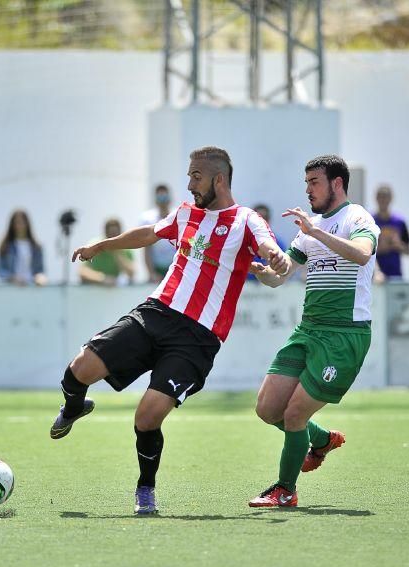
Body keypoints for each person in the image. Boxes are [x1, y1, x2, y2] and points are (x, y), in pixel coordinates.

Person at [49, 146, 291, 515]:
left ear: (219, 179)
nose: (190, 183)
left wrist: (276, 257)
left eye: (196, 176)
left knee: (147, 416)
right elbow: (149, 233)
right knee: (79, 369)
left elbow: (269, 248)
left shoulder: (245, 219)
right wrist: (101, 245)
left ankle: (145, 489)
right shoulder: (184, 213)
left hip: (197, 338)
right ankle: (74, 405)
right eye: (189, 175)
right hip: (156, 313)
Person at [247, 155, 379, 508]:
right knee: (267, 409)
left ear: (337, 183)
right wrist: (267, 272)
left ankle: (285, 491)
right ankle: (320, 440)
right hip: (309, 330)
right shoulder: (311, 228)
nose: (307, 190)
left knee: (293, 415)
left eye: (314, 182)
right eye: (306, 183)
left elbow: (363, 255)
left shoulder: (357, 218)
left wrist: (315, 232)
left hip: (344, 335)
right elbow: (283, 272)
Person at [78, 218, 136, 286]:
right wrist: (103, 279)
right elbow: (82, 272)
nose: (113, 238)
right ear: (105, 233)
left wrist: (117, 252)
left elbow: (131, 273)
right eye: (110, 234)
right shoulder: (94, 246)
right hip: (94, 289)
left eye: (116, 235)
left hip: (115, 291)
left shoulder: (126, 248)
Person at [371, 184, 409, 283]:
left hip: (395, 275)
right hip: (375, 277)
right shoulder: (369, 221)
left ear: (391, 199)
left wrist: (397, 245)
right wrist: (382, 246)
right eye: (381, 197)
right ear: (376, 199)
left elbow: (408, 251)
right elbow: (366, 251)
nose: (383, 200)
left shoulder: (399, 222)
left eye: (386, 197)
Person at [0, 209, 46, 286]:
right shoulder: (5, 247)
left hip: (31, 287)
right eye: (17, 223)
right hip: (12, 288)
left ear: (27, 224)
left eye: (22, 222)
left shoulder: (36, 247)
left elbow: (40, 271)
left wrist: (40, 278)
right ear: (12, 225)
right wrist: (14, 278)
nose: (20, 225)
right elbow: (1, 272)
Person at [140, 184, 177, 283]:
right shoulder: (147, 219)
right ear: (156, 200)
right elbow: (147, 248)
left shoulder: (178, 215)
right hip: (157, 269)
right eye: (160, 198)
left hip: (175, 267)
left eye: (164, 197)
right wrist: (151, 273)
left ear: (169, 198)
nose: (163, 201)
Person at [246, 203, 289, 282]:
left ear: (268, 220)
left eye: (264, 218)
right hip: (244, 286)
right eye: (257, 219)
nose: (260, 222)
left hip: (270, 289)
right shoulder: (242, 242)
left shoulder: (278, 244)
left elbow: (284, 271)